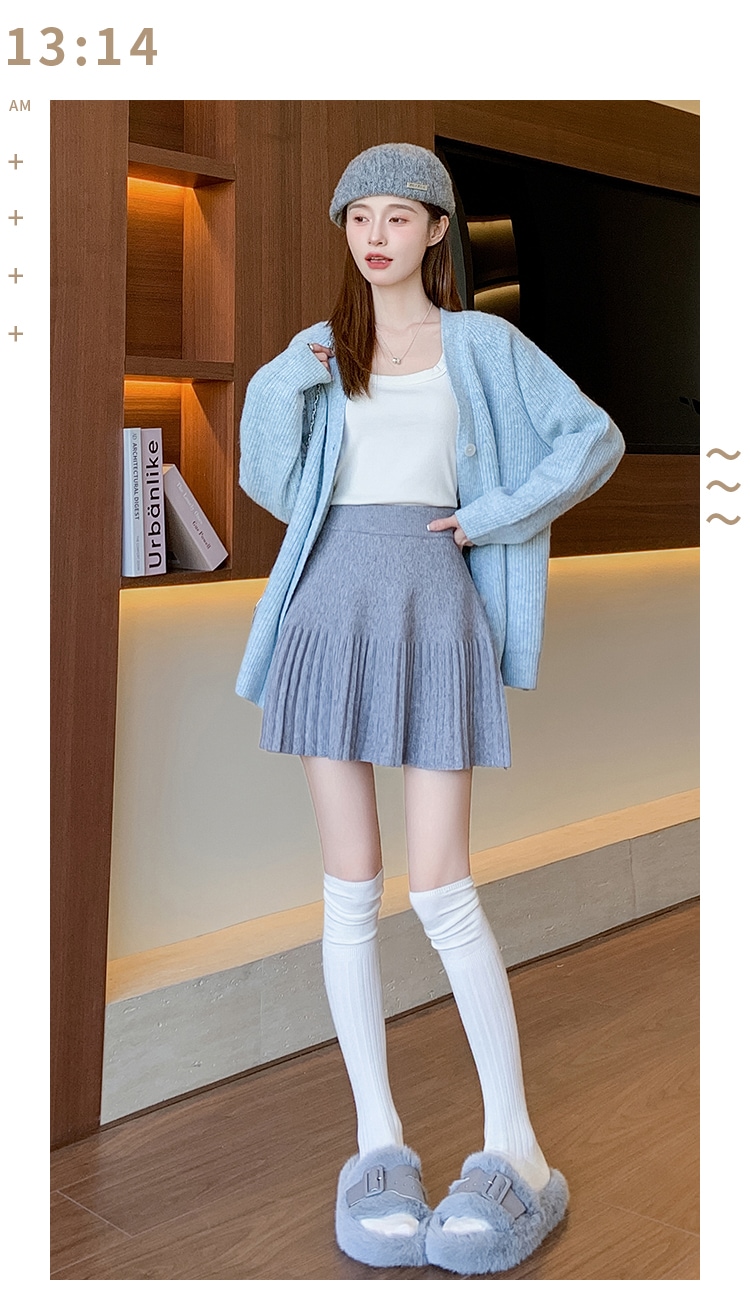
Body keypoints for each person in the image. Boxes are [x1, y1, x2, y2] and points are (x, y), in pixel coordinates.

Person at [236, 143, 625, 1275]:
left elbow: (593, 437)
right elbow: (272, 481)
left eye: (398, 215)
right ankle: (378, 1148)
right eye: (358, 216)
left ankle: (519, 1152)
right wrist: (289, 379)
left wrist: (493, 515)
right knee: (349, 887)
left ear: (438, 231)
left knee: (443, 886)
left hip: (434, 605)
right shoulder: (320, 352)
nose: (375, 235)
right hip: (326, 612)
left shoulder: (484, 345)